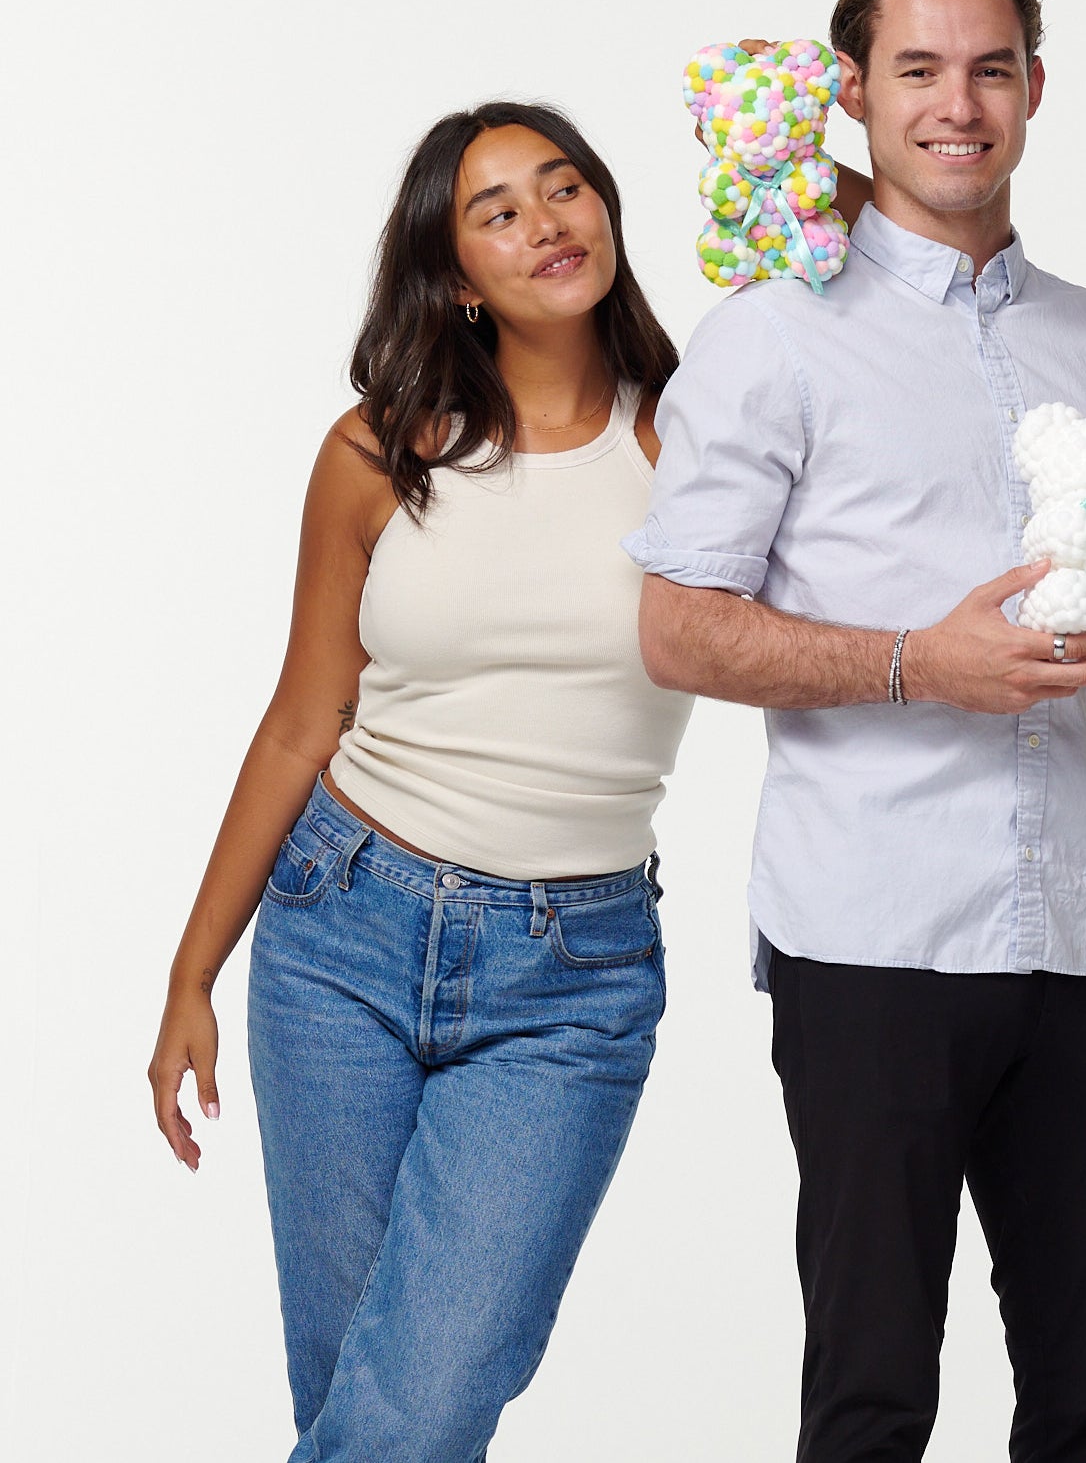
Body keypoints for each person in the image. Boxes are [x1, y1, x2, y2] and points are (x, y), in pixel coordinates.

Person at [145, 98, 849, 1460]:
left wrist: (831, 170)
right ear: (456, 274)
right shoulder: (375, 451)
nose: (546, 223)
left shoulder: (693, 441)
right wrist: (193, 969)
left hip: (569, 976)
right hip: (338, 932)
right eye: (499, 209)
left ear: (609, 212)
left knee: (419, 1401)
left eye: (566, 186)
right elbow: (303, 716)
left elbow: (853, 306)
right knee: (356, 1398)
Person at [627, 0, 1086, 1461]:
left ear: (1034, 87)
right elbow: (678, 627)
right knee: (875, 1403)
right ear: (853, 92)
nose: (957, 103)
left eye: (989, 67)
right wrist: (912, 662)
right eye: (917, 70)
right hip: (872, 931)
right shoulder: (769, 335)